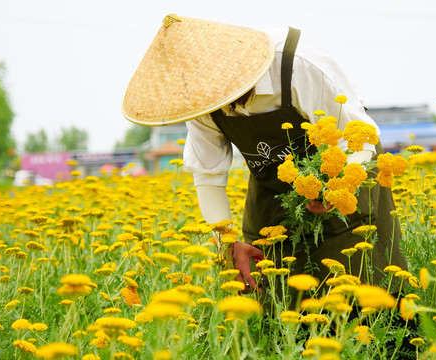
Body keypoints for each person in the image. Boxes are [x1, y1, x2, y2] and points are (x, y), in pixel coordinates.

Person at [122, 14, 407, 294]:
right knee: (277, 303)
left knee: (363, 291)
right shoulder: (198, 99)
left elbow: (359, 139)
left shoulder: (297, 63)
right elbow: (208, 175)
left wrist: (337, 188)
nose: (216, 102)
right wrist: (228, 245)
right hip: (272, 188)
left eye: (222, 93)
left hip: (346, 173)